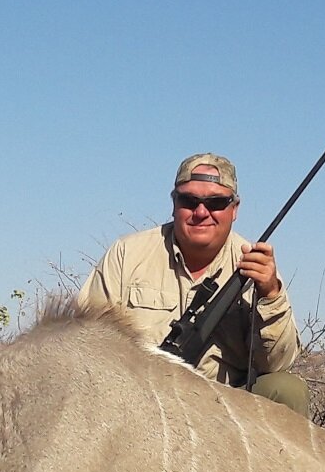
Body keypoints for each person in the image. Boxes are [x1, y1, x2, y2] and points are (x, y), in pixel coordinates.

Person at [78, 153, 309, 417]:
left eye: (216, 203)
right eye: (189, 200)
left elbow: (277, 362)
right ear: (174, 203)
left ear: (234, 209)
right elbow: (84, 341)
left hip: (224, 407)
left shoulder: (256, 267)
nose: (201, 212)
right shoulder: (127, 254)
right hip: (138, 400)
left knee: (285, 389)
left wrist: (270, 294)